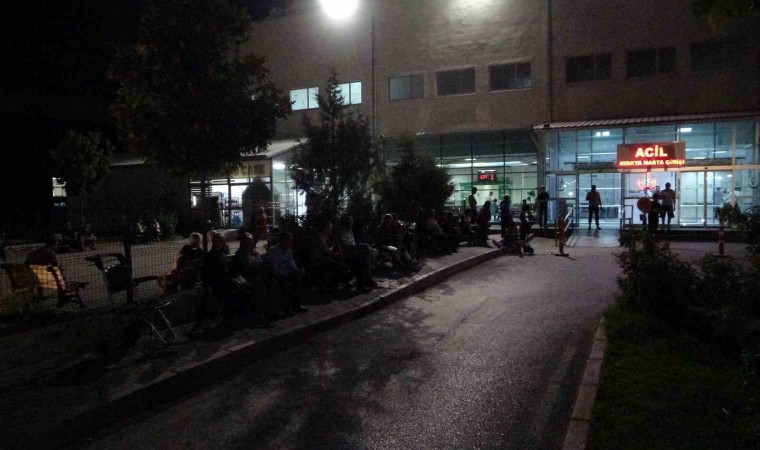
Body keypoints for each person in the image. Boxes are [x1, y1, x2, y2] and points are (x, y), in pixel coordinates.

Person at [267, 232, 308, 312]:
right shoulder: (274, 251)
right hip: (276, 274)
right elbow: (275, 268)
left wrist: (297, 270)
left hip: (286, 273)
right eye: (288, 240)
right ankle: (287, 307)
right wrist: (287, 273)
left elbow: (292, 264)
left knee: (298, 277)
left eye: (291, 240)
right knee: (285, 282)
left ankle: (297, 304)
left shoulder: (289, 250)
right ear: (282, 241)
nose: (290, 242)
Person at [337, 215, 377, 291]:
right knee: (365, 250)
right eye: (349, 222)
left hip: (353, 249)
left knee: (365, 257)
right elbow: (344, 245)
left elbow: (353, 242)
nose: (351, 223)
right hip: (348, 250)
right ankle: (366, 281)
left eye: (351, 222)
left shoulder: (350, 230)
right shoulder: (341, 232)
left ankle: (365, 282)